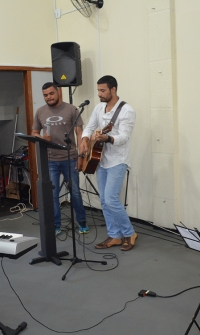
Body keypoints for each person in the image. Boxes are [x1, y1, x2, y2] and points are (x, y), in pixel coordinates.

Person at [79, 75, 137, 251]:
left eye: (103, 90)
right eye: (98, 90)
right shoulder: (99, 108)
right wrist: (84, 139)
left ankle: (129, 233)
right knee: (104, 200)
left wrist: (108, 138)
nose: (99, 94)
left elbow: (124, 137)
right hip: (99, 159)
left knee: (111, 199)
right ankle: (114, 236)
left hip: (118, 161)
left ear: (113, 89)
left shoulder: (127, 111)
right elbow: (89, 127)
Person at [31, 82, 88, 236]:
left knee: (75, 192)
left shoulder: (72, 109)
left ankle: (82, 222)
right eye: (45, 95)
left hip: (70, 158)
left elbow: (79, 133)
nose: (48, 97)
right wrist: (42, 137)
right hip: (50, 160)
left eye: (51, 94)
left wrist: (80, 156)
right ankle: (56, 225)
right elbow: (34, 132)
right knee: (53, 195)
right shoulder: (40, 112)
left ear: (58, 92)